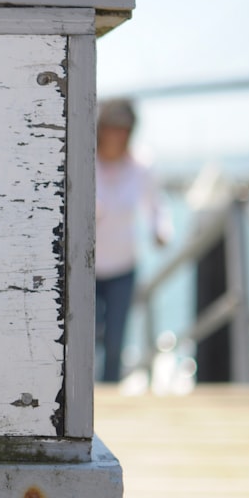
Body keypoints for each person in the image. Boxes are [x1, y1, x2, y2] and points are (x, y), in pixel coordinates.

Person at [95, 99, 171, 382]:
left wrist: (161, 230)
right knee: (84, 342)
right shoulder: (83, 157)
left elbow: (156, 206)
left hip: (123, 268)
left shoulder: (142, 165)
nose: (117, 135)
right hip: (86, 269)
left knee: (115, 344)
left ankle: (110, 403)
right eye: (112, 128)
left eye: (123, 130)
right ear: (101, 129)